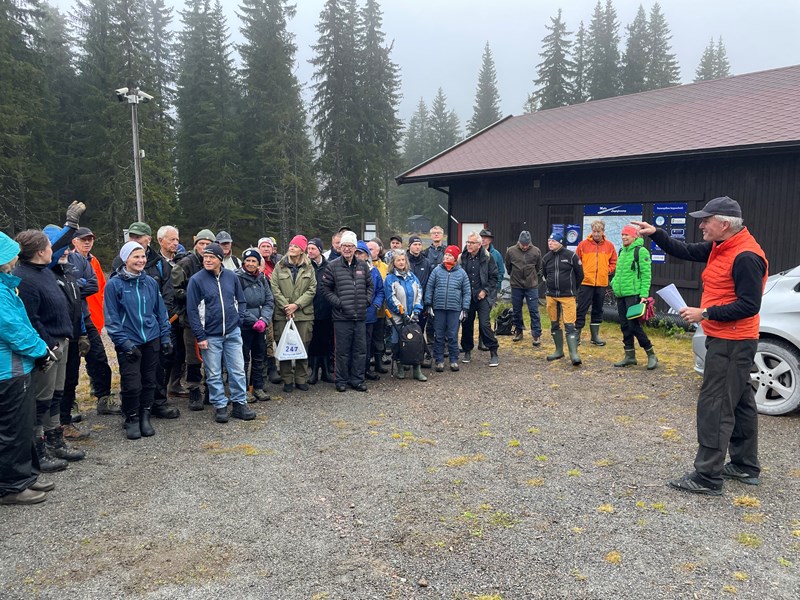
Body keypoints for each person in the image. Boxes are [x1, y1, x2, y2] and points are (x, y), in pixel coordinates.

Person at [634, 196, 768, 496]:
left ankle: (707, 476)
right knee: (741, 401)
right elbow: (685, 250)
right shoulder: (722, 245)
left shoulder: (745, 256)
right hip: (731, 339)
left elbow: (749, 305)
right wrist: (656, 234)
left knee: (716, 405)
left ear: (724, 224)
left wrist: (704, 313)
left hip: (733, 340)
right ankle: (745, 465)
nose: (701, 224)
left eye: (706, 220)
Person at [0, 231, 56, 505]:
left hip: (17, 367)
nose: (14, 258)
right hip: (7, 371)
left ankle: (27, 475)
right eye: (10, 254)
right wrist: (40, 349)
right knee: (12, 428)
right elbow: (12, 329)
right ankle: (12, 485)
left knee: (22, 426)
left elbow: (21, 324)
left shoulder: (5, 285)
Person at [14, 230, 75, 473]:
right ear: (40, 252)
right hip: (47, 347)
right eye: (49, 246)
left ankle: (55, 439)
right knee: (42, 399)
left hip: (61, 341)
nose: (54, 249)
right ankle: (39, 451)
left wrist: (70, 227)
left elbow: (60, 244)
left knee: (56, 395)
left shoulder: (43, 270)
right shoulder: (24, 278)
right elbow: (32, 318)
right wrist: (50, 345)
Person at [104, 242, 172, 440]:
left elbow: (160, 312)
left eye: (142, 257)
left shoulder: (150, 282)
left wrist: (165, 337)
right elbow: (112, 319)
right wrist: (124, 343)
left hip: (151, 339)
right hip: (129, 341)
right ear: (126, 259)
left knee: (150, 381)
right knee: (132, 383)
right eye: (136, 257)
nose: (141, 261)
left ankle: (145, 415)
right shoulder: (115, 284)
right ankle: (131, 417)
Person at [113, 221, 179, 419]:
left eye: (138, 237)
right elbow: (115, 301)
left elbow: (167, 294)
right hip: (131, 329)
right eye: (132, 237)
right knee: (131, 375)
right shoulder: (120, 262)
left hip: (156, 328)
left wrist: (162, 322)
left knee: (157, 371)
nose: (134, 240)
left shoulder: (160, 263)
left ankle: (157, 404)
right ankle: (131, 412)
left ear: (148, 239)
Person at [186, 243, 256, 423]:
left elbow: (241, 301)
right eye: (205, 257)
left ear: (219, 259)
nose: (207, 260)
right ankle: (220, 406)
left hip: (232, 333)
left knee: (238, 370)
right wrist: (200, 336)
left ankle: (239, 404)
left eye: (211, 257)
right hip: (210, 335)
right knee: (214, 372)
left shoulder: (231, 277)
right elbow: (192, 310)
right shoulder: (196, 280)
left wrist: (238, 320)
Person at [69, 227, 116, 418]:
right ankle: (69, 404)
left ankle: (103, 398)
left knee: (99, 359)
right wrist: (81, 284)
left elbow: (97, 287)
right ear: (74, 241)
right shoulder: (67, 260)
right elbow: (71, 288)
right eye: (83, 239)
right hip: (71, 318)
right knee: (70, 364)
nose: (87, 242)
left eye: (90, 239)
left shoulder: (93, 261)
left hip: (91, 319)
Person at [321, 230, 373, 392]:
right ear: (340, 247)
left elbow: (370, 286)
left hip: (359, 316)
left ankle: (357, 380)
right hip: (341, 317)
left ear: (355, 248)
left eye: (350, 246)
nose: (347, 249)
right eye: (344, 246)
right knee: (342, 351)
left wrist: (367, 301)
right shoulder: (333, 266)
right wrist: (339, 303)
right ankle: (341, 380)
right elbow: (325, 289)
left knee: (360, 350)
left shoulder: (363, 266)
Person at [171, 229, 215, 410]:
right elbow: (174, 290)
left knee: (212, 356)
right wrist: (193, 295)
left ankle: (211, 389)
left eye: (208, 244)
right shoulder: (186, 263)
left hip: (212, 318)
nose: (204, 248)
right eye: (201, 244)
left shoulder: (215, 263)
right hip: (191, 318)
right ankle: (194, 390)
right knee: (193, 357)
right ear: (196, 244)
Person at [271, 235, 317, 394]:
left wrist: (296, 305)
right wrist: (286, 306)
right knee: (284, 346)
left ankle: (301, 379)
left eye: (295, 246)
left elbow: (312, 289)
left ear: (302, 250)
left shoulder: (308, 267)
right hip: (282, 314)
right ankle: (287, 380)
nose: (291, 248)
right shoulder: (280, 265)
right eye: (290, 245)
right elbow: (274, 287)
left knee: (303, 345)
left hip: (303, 314)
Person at [609, 225, 657, 370]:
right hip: (621, 295)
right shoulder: (622, 251)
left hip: (634, 295)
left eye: (627, 235)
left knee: (633, 325)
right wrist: (614, 284)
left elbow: (646, 275)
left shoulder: (641, 251)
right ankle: (629, 356)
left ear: (634, 236)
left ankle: (651, 353)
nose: (624, 237)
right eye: (622, 234)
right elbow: (618, 273)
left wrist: (643, 295)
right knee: (624, 325)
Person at [425, 245, 471, 371]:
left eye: (450, 255)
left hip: (454, 309)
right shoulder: (436, 271)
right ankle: (439, 360)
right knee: (438, 335)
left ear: (455, 258)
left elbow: (466, 292)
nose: (447, 256)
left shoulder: (462, 273)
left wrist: (465, 308)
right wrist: (429, 304)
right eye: (446, 254)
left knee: (452, 335)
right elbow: (430, 287)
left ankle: (454, 359)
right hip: (438, 308)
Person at [235, 249, 273, 402]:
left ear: (258, 263)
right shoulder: (237, 278)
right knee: (243, 359)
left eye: (254, 261)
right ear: (244, 262)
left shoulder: (262, 279)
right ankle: (242, 390)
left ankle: (258, 387)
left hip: (261, 326)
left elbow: (269, 301)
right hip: (244, 326)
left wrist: (264, 319)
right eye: (248, 260)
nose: (251, 264)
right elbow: (237, 303)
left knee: (259, 357)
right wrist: (253, 320)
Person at [541, 232, 583, 366]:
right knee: (554, 323)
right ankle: (558, 350)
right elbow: (545, 274)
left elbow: (579, 275)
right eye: (549, 241)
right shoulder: (546, 258)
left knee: (570, 325)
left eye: (553, 241)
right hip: (551, 295)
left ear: (560, 242)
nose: (550, 243)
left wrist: (572, 288)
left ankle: (574, 354)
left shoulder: (571, 256)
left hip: (568, 295)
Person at [384, 249, 426, 381]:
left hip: (413, 316)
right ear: (393, 263)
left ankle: (417, 369)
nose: (401, 262)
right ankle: (400, 367)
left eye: (403, 260)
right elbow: (391, 298)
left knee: (415, 342)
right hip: (398, 318)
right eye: (398, 260)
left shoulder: (412, 277)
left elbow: (419, 294)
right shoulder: (390, 278)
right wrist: (402, 313)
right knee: (398, 342)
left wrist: (416, 311)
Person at [157, 225, 189, 399]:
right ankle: (160, 390)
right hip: (165, 317)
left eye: (177, 239)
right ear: (161, 241)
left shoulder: (181, 261)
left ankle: (175, 385)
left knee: (181, 352)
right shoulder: (155, 263)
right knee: (167, 352)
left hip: (182, 314)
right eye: (171, 239)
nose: (175, 243)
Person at [459, 232, 499, 367]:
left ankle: (493, 352)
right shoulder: (462, 257)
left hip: (483, 296)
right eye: (468, 242)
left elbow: (494, 277)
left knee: (484, 324)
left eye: (472, 243)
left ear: (479, 244)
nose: (469, 245)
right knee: (466, 324)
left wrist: (485, 291)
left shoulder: (488, 257)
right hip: (467, 297)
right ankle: (467, 350)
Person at [575, 220, 617, 346]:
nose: (596, 234)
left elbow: (614, 262)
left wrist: (606, 271)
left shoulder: (609, 246)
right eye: (594, 231)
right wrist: (582, 274)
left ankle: (595, 336)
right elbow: (576, 262)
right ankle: (577, 334)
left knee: (598, 309)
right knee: (581, 308)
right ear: (591, 231)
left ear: (603, 232)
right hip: (586, 282)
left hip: (601, 283)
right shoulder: (583, 245)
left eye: (599, 232)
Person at [504, 231, 543, 347]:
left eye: (527, 244)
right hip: (516, 285)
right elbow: (508, 266)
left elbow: (538, 267)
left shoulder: (536, 251)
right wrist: (514, 275)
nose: (525, 247)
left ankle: (536, 334)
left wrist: (532, 277)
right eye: (523, 244)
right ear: (519, 242)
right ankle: (518, 331)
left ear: (530, 243)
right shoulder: (511, 251)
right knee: (516, 310)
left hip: (531, 285)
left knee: (534, 310)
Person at [356, 241, 385, 381]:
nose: (358, 255)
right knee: (354, 344)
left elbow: (380, 290)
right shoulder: (347, 269)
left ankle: (366, 370)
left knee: (367, 344)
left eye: (360, 252)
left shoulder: (374, 271)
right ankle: (354, 371)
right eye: (356, 252)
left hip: (369, 314)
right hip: (351, 315)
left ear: (366, 254)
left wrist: (376, 305)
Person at [306, 238, 334, 384]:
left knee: (326, 341)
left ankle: (326, 372)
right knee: (313, 341)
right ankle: (314, 371)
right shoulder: (305, 266)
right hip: (310, 309)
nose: (310, 252)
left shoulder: (329, 266)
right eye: (308, 249)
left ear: (320, 250)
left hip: (327, 309)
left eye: (313, 249)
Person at [256, 236, 281, 385]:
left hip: (275, 305)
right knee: (263, 339)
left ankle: (272, 367)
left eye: (268, 247)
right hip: (259, 307)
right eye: (263, 246)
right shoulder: (253, 263)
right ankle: (262, 370)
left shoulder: (276, 264)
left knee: (271, 337)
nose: (266, 249)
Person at [407, 235, 433, 366]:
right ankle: (406, 358)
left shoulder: (426, 262)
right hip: (406, 302)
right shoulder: (404, 261)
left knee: (420, 330)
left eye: (419, 245)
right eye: (414, 244)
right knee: (406, 331)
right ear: (409, 245)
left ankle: (421, 356)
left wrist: (427, 302)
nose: (417, 247)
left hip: (421, 303)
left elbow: (430, 283)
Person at [367, 239, 389, 374]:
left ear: (379, 251)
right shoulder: (362, 266)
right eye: (367, 249)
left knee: (379, 338)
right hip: (366, 311)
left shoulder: (385, 267)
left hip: (380, 310)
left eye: (372, 249)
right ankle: (367, 363)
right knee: (367, 339)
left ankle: (379, 363)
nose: (370, 251)